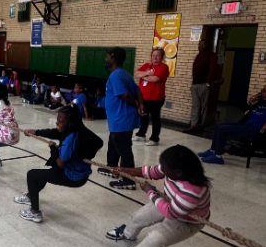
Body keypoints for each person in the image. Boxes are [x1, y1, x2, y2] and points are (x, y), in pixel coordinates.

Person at [105, 145, 210, 247]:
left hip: (186, 221)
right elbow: (151, 171)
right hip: (168, 203)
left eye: (164, 168)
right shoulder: (173, 168)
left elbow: (171, 212)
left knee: (156, 239)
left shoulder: (193, 190)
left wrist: (150, 192)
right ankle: (128, 233)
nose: (162, 169)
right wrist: (125, 170)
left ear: (178, 172)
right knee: (139, 217)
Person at [14, 105, 103, 223]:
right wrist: (36, 132)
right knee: (43, 174)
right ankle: (31, 195)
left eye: (60, 121)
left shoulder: (70, 140)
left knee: (32, 175)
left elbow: (59, 164)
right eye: (57, 120)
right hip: (79, 173)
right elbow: (56, 133)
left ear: (69, 122)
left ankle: (34, 212)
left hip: (72, 176)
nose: (57, 123)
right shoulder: (77, 130)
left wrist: (53, 149)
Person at [198, 82, 266, 165]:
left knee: (222, 129)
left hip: (256, 131)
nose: (264, 93)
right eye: (263, 91)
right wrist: (250, 103)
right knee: (219, 125)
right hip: (246, 126)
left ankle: (218, 156)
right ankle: (213, 151)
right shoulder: (260, 101)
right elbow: (246, 113)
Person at [98, 47, 142, 190]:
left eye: (107, 57)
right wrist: (140, 104)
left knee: (124, 149)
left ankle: (129, 179)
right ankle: (112, 168)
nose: (105, 60)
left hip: (122, 119)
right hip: (119, 119)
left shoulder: (116, 75)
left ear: (112, 57)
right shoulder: (124, 74)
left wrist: (136, 104)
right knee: (113, 144)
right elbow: (138, 90)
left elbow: (124, 95)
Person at [133, 48, 169, 146]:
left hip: (156, 99)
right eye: (153, 55)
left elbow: (155, 79)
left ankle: (154, 139)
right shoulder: (147, 65)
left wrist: (143, 75)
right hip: (143, 97)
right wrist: (147, 73)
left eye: (157, 55)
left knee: (155, 118)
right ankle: (141, 135)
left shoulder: (163, 67)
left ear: (161, 57)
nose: (155, 57)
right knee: (143, 116)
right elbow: (136, 73)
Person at [186, 39, 219, 133]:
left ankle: (201, 127)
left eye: (202, 44)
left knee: (204, 107)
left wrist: (208, 83)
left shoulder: (212, 55)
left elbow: (213, 69)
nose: (199, 46)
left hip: (204, 85)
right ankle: (193, 126)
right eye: (199, 44)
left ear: (206, 45)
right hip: (195, 84)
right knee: (195, 106)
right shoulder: (199, 55)